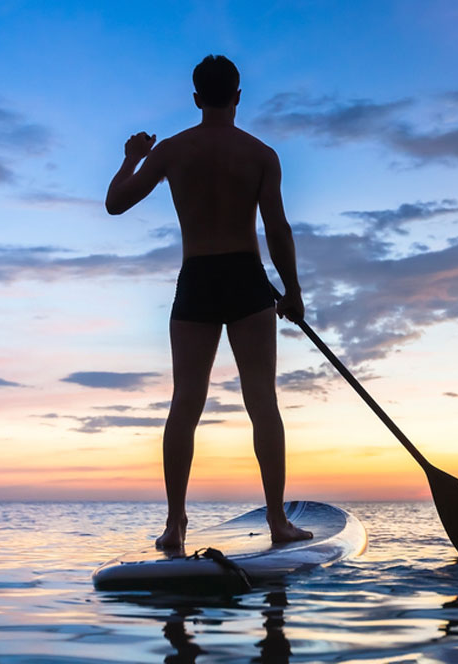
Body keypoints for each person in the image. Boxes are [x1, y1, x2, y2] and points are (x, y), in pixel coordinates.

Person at [105, 55, 313, 549]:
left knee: (186, 404)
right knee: (263, 403)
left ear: (196, 98)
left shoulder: (173, 152)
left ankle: (176, 525)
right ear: (238, 96)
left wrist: (132, 156)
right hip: (247, 278)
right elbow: (277, 228)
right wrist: (293, 292)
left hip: (197, 277)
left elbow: (115, 203)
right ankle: (278, 522)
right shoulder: (261, 155)